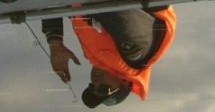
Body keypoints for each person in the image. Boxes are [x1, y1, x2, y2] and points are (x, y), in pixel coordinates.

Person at [43, 6, 176, 107]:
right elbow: (111, 5)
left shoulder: (95, 54)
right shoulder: (136, 54)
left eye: (91, 86)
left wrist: (55, 43)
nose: (95, 83)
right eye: (103, 89)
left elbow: (55, 1)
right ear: (124, 82)